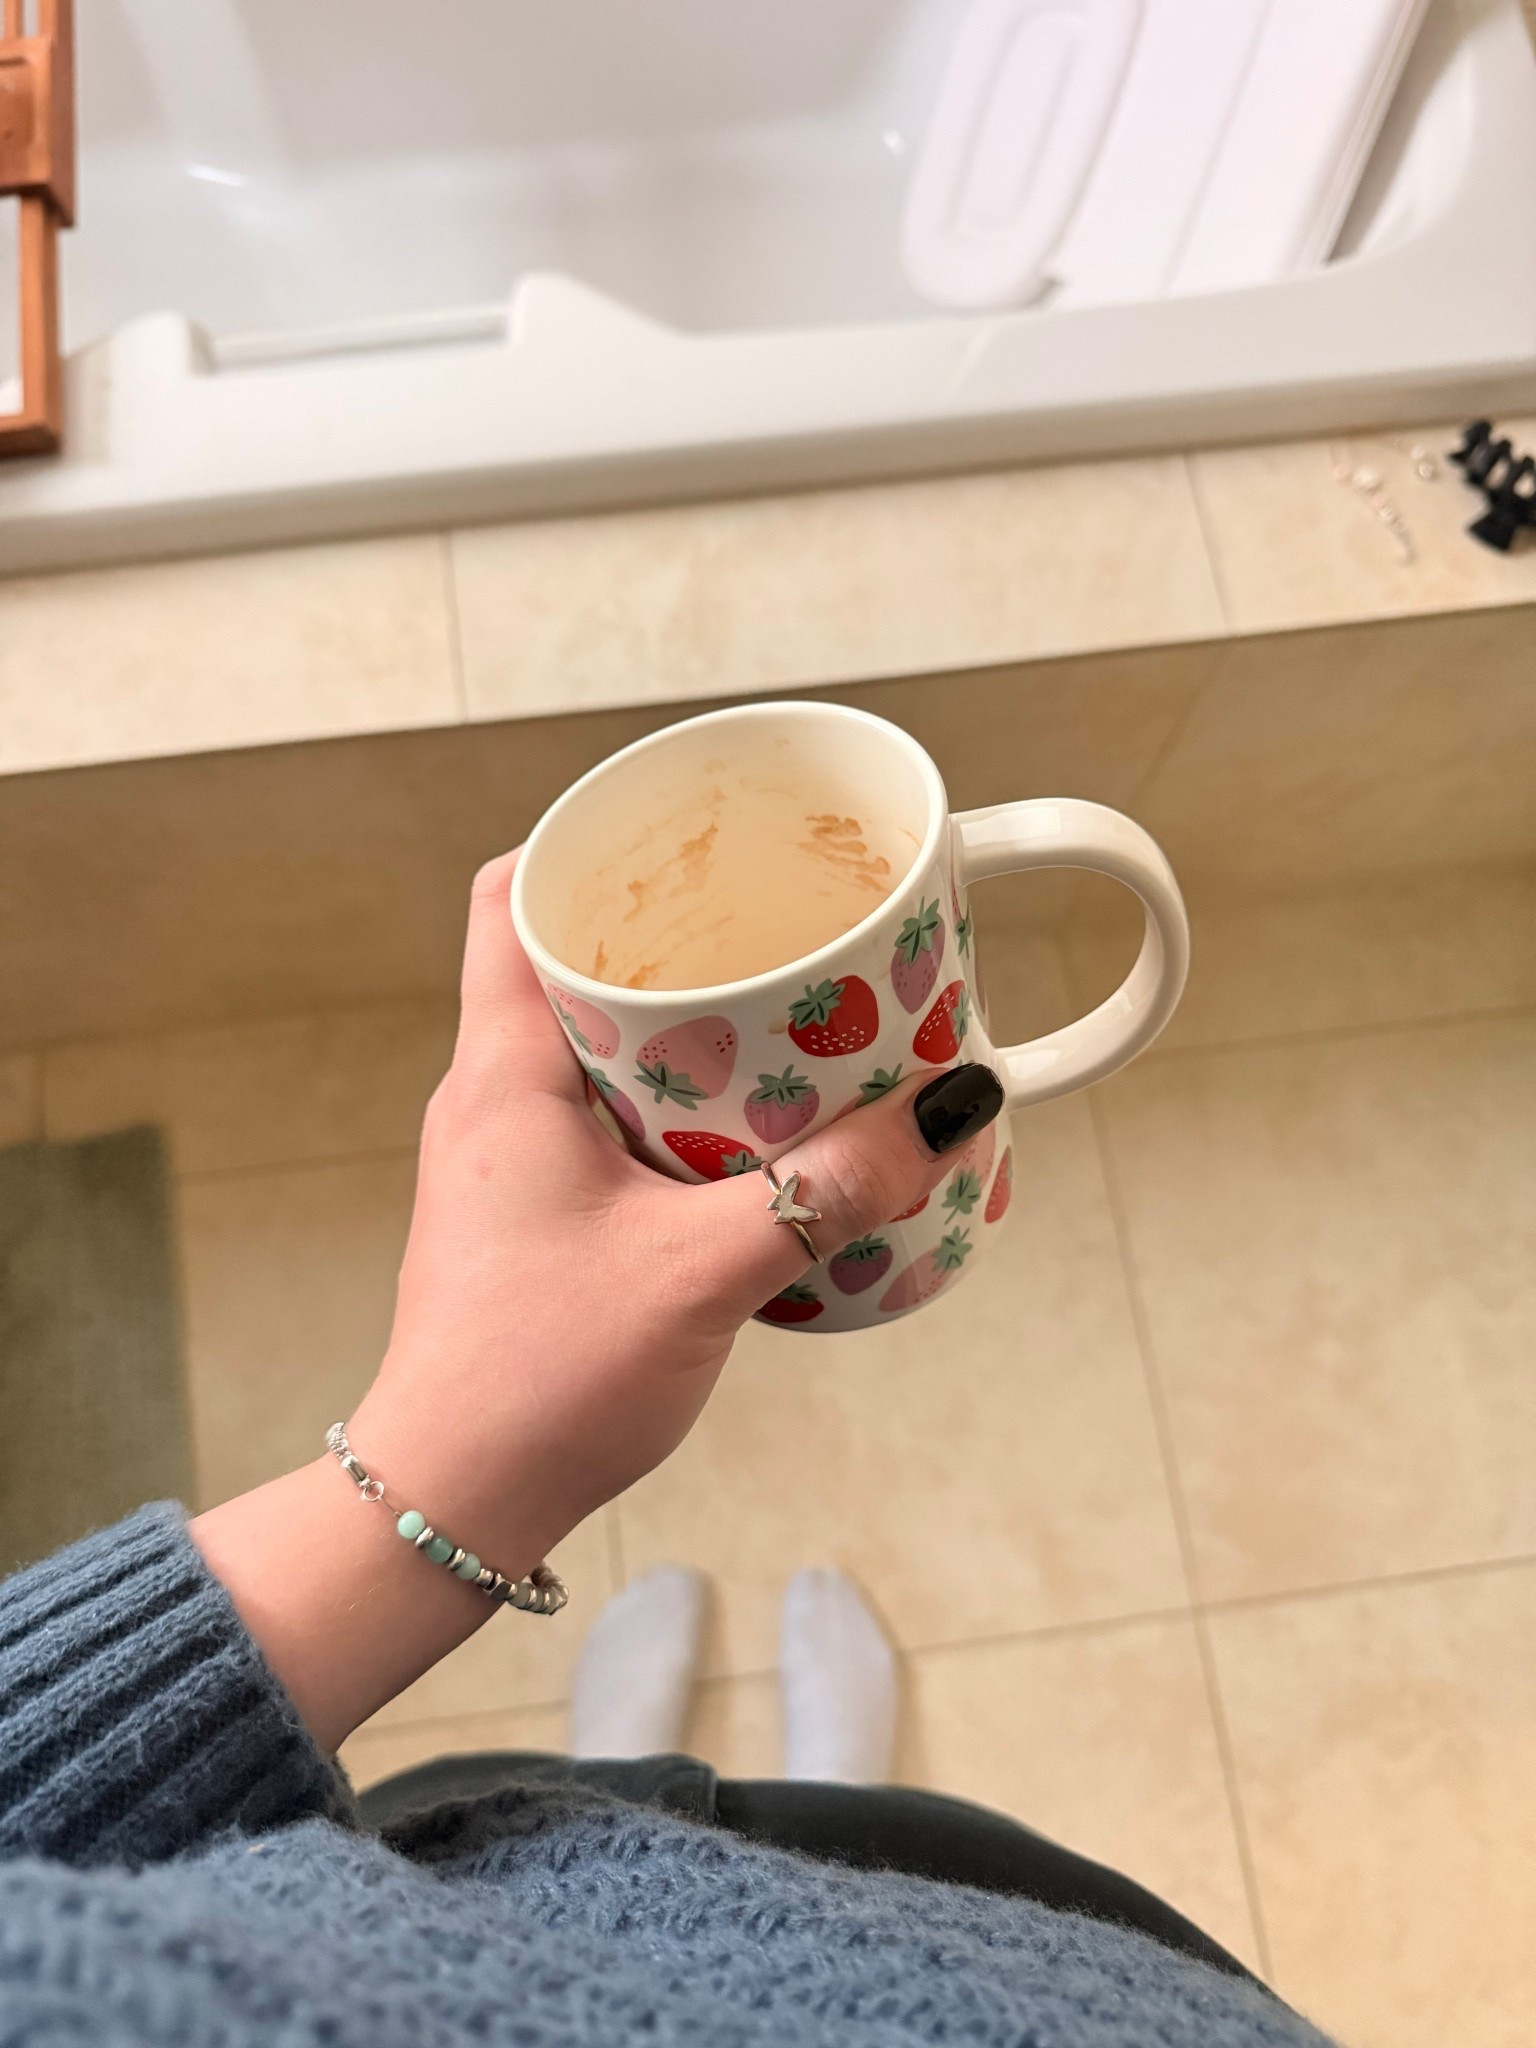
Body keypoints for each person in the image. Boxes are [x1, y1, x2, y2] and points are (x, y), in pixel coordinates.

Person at [0, 853, 1332, 2048]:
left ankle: (629, 1774)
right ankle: (820, 1788)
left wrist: (437, 1468)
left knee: (585, 1807)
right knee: (822, 1851)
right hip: (994, 1977)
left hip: (507, 1888)